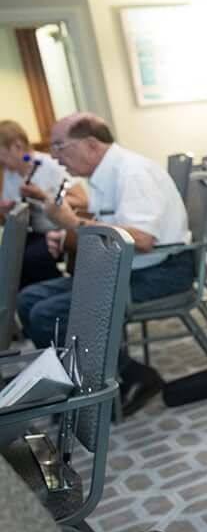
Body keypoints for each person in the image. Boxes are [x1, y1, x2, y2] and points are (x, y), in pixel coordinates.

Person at [16, 113, 194, 416]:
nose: (55, 158)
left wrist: (73, 223)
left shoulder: (132, 173)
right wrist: (70, 232)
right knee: (28, 299)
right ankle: (78, 382)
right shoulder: (104, 175)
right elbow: (112, 227)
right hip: (130, 268)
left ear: (91, 145)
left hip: (162, 272)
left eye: (60, 146)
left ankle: (129, 378)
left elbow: (142, 239)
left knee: (47, 313)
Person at [0, 120, 85, 287]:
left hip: (57, 232)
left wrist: (42, 196)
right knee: (7, 261)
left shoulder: (50, 165)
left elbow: (82, 201)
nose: (1, 163)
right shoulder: (10, 173)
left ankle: (50, 299)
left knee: (29, 259)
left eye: (2, 156)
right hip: (32, 233)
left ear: (17, 146)